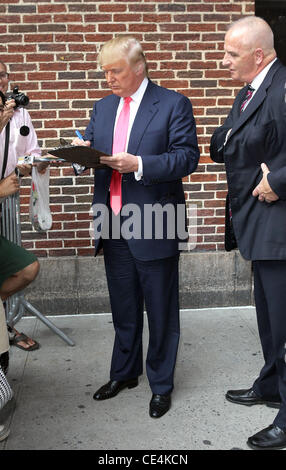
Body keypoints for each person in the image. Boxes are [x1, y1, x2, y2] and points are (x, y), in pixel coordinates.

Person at [72, 35, 199, 418]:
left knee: (160, 310)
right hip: (111, 223)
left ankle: (160, 384)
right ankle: (124, 373)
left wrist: (140, 164)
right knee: (124, 307)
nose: (108, 78)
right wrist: (77, 157)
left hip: (156, 221)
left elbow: (186, 158)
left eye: (115, 71)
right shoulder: (103, 107)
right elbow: (93, 150)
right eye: (104, 72)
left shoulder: (173, 103)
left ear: (139, 68)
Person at [210, 16, 286, 450]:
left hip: (280, 229)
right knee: (269, 321)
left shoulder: (282, 86)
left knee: (284, 325)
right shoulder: (248, 92)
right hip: (257, 226)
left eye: (231, 54)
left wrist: (279, 180)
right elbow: (223, 143)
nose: (224, 61)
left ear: (258, 55)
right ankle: (272, 384)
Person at [0, 62, 41, 351]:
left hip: (8, 199)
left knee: (25, 268)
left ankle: (4, 320)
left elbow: (32, 151)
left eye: (2, 74)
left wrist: (27, 165)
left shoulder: (20, 111)